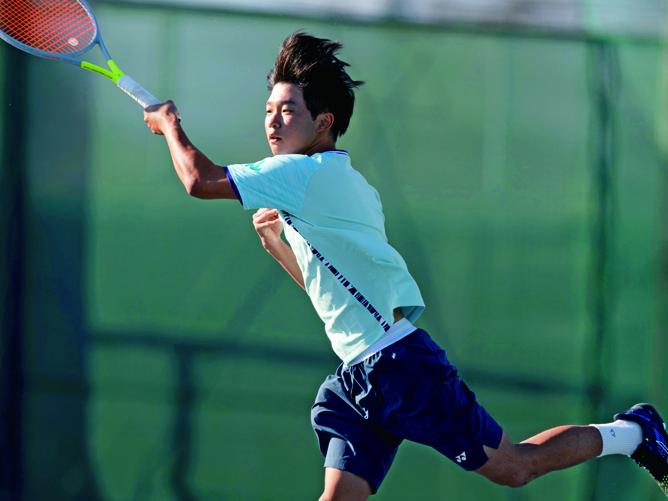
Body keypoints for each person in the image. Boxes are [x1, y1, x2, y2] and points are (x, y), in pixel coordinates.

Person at [143, 31, 668, 500]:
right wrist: (280, 246)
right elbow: (330, 296)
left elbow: (199, 180)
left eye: (288, 111)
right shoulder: (342, 185)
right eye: (268, 110)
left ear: (324, 122)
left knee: (515, 468)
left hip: (401, 371)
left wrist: (169, 123)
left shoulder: (301, 176)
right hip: (360, 379)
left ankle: (637, 433)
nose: (273, 123)